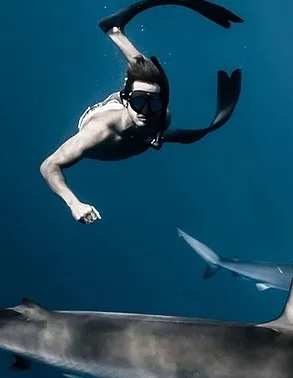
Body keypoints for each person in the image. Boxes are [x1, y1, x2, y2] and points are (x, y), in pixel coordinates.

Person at [39, 0, 244, 224]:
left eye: (152, 106)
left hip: (139, 116)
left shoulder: (161, 116)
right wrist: (74, 203)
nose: (146, 112)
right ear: (127, 101)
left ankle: (115, 31)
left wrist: (155, 125)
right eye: (138, 103)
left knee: (150, 79)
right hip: (108, 114)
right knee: (147, 78)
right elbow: (49, 165)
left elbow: (151, 101)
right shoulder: (98, 132)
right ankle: (114, 32)